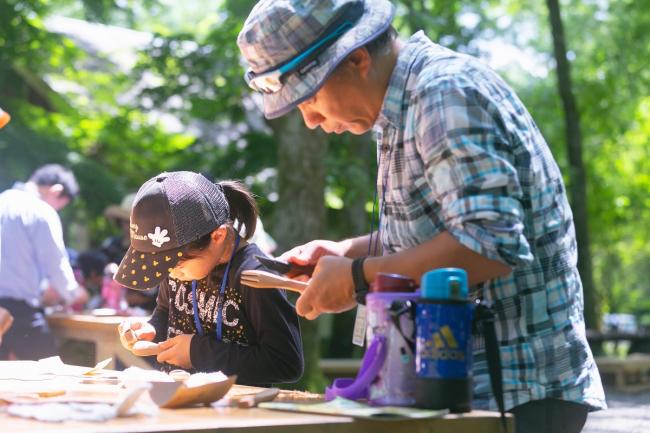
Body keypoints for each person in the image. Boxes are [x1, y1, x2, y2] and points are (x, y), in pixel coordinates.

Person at [237, 0, 606, 431]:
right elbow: (439, 231)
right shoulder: (400, 108)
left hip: (516, 392)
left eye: (311, 97)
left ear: (357, 59)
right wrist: (344, 251)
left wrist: (359, 275)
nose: (312, 120)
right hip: (460, 389)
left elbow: (488, 245)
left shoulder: (443, 94)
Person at [116, 171, 303, 386]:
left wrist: (197, 352)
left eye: (175, 264)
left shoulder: (255, 276)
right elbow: (166, 313)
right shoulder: (176, 265)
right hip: (180, 401)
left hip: (235, 411)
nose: (170, 274)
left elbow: (286, 363)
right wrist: (151, 330)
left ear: (218, 236)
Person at [0, 164, 88, 360]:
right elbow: (55, 262)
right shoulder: (40, 210)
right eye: (60, 205)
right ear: (56, 190)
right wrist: (73, 293)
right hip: (17, 312)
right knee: (50, 375)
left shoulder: (3, 199)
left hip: (12, 307)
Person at [103, 193, 158, 311]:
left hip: (146, 313)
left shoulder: (153, 250)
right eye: (125, 221)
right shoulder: (111, 245)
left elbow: (154, 291)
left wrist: (122, 297)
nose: (127, 226)